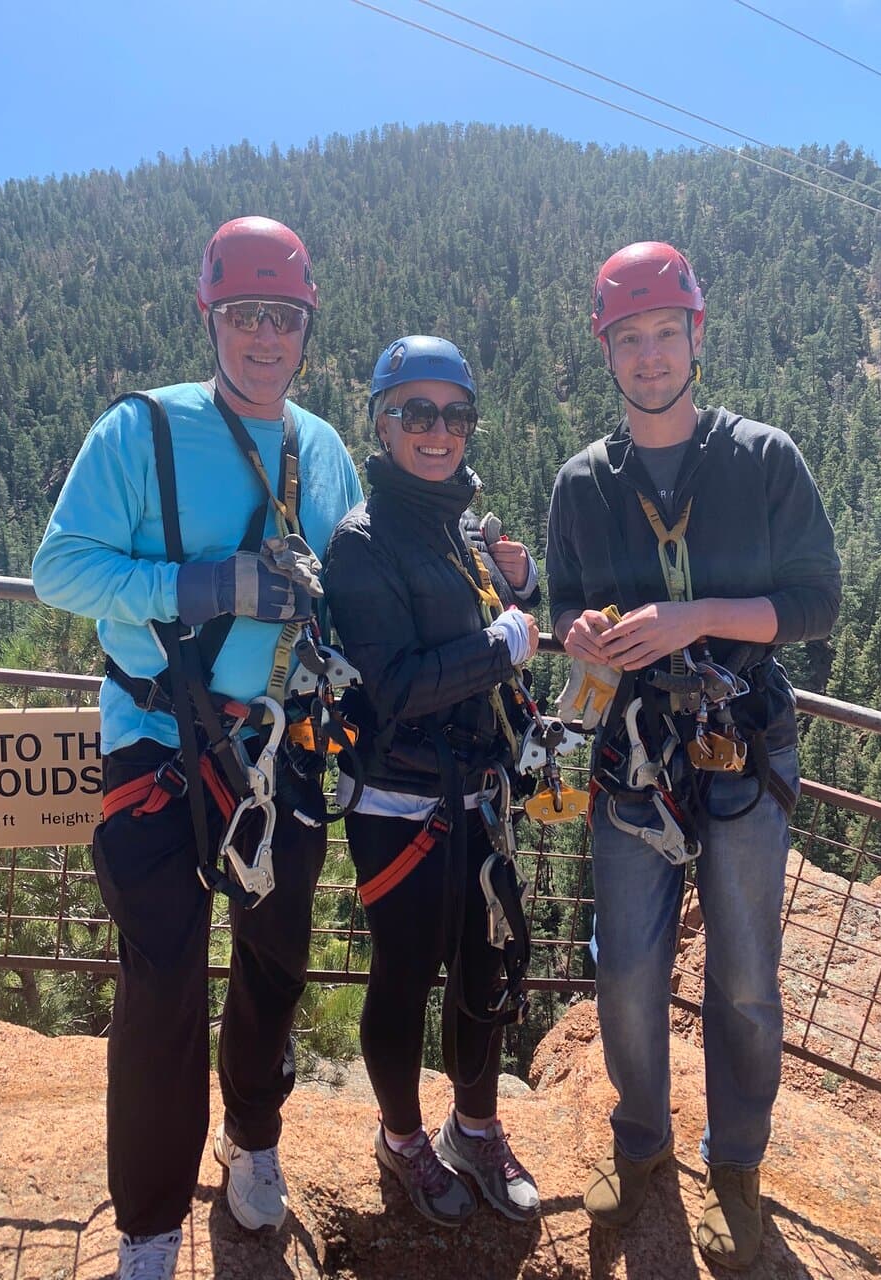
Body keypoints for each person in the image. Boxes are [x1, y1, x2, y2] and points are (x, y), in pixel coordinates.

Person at [32, 216, 362, 1280]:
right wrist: (201, 584)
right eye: (245, 314)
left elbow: (356, 577)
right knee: (163, 977)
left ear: (306, 327)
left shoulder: (319, 450)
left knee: (275, 956)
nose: (265, 337)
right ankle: (150, 1220)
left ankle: (252, 1137)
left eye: (284, 317)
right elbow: (59, 569)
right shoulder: (140, 431)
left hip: (278, 742)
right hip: (155, 739)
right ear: (210, 317)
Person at [546, 242, 841, 1269]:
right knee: (627, 968)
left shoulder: (762, 459)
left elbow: (817, 602)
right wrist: (581, 633)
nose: (649, 355)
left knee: (746, 975)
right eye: (629, 337)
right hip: (637, 752)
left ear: (696, 335)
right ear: (607, 351)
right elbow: (561, 606)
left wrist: (696, 615)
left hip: (742, 744)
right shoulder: (584, 484)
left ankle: (737, 1163)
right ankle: (641, 1141)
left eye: (665, 332)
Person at [323, 335, 542, 1227]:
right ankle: (403, 1137)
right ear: (382, 423)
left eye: (455, 414)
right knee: (407, 973)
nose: (438, 430)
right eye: (416, 412)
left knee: (483, 965)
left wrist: (521, 583)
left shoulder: (458, 524)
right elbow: (400, 683)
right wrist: (503, 643)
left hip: (474, 790)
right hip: (399, 803)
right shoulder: (362, 540)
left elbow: (479, 616)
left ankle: (475, 1128)